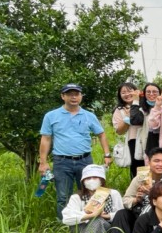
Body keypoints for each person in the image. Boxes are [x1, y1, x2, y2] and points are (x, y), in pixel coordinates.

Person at [39, 83, 112, 219]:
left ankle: (89, 221)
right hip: (61, 161)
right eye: (70, 94)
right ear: (63, 96)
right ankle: (65, 224)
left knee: (89, 192)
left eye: (77, 94)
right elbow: (46, 139)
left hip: (85, 160)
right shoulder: (51, 116)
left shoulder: (89, 116)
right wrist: (43, 162)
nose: (74, 97)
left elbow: (101, 134)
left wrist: (107, 154)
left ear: (81, 96)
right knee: (63, 196)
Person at [111, 147, 162, 233]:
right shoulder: (140, 178)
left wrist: (151, 192)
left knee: (151, 213)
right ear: (148, 162)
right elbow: (126, 200)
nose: (161, 164)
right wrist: (136, 199)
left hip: (160, 215)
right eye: (156, 161)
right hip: (139, 211)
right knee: (121, 214)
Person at [62, 164, 125, 233]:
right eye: (88, 178)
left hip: (105, 230)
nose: (91, 180)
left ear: (102, 180)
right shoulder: (77, 197)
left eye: (95, 177)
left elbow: (121, 216)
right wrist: (90, 215)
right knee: (93, 220)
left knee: (98, 221)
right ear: (83, 181)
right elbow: (66, 218)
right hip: (81, 229)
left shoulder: (113, 194)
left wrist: (106, 216)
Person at [112, 82, 142, 179]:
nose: (127, 94)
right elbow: (119, 131)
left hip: (149, 139)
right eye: (123, 92)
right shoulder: (119, 110)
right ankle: (137, 187)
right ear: (120, 95)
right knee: (137, 168)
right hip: (133, 141)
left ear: (136, 92)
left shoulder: (144, 104)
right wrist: (128, 116)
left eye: (130, 91)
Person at [134, 82, 162, 155]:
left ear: (160, 93)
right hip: (148, 143)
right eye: (148, 92)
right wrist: (135, 100)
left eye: (154, 92)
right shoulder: (141, 109)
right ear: (144, 94)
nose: (151, 94)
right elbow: (135, 121)